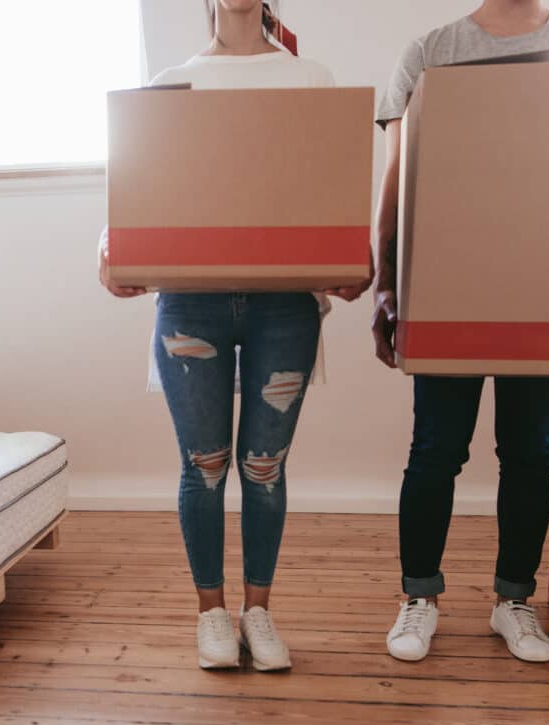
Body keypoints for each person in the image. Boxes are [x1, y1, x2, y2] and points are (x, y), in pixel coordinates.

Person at [99, 0, 372, 672]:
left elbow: (330, 191)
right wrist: (106, 250)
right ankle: (212, 615)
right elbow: (139, 186)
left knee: (264, 468)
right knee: (205, 466)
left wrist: (351, 259)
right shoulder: (169, 84)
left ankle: (259, 612)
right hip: (193, 306)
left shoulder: (310, 79)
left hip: (287, 306)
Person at [370, 1, 549, 664]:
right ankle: (418, 595)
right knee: (435, 450)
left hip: (545, 284)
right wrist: (387, 281)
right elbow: (399, 174)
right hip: (450, 281)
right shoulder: (430, 51)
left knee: (532, 451)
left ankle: (515, 599)